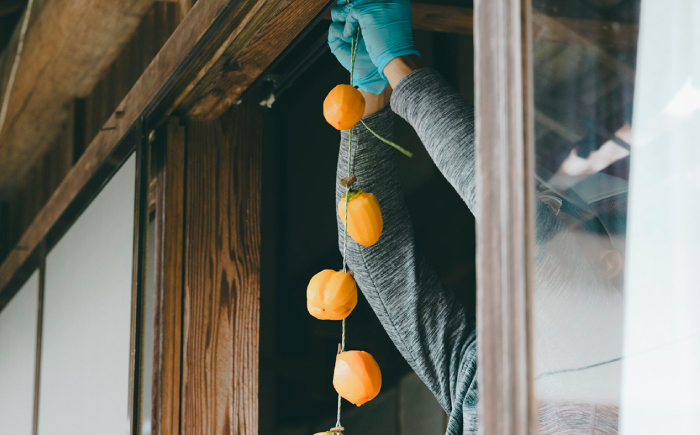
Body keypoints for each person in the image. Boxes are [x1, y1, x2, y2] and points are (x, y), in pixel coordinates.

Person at [329, 1, 628, 434]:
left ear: (609, 263)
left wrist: (400, 68)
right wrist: (368, 100)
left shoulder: (604, 358)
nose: (540, 216)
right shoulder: (481, 377)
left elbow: (511, 221)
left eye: (553, 214)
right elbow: (378, 258)